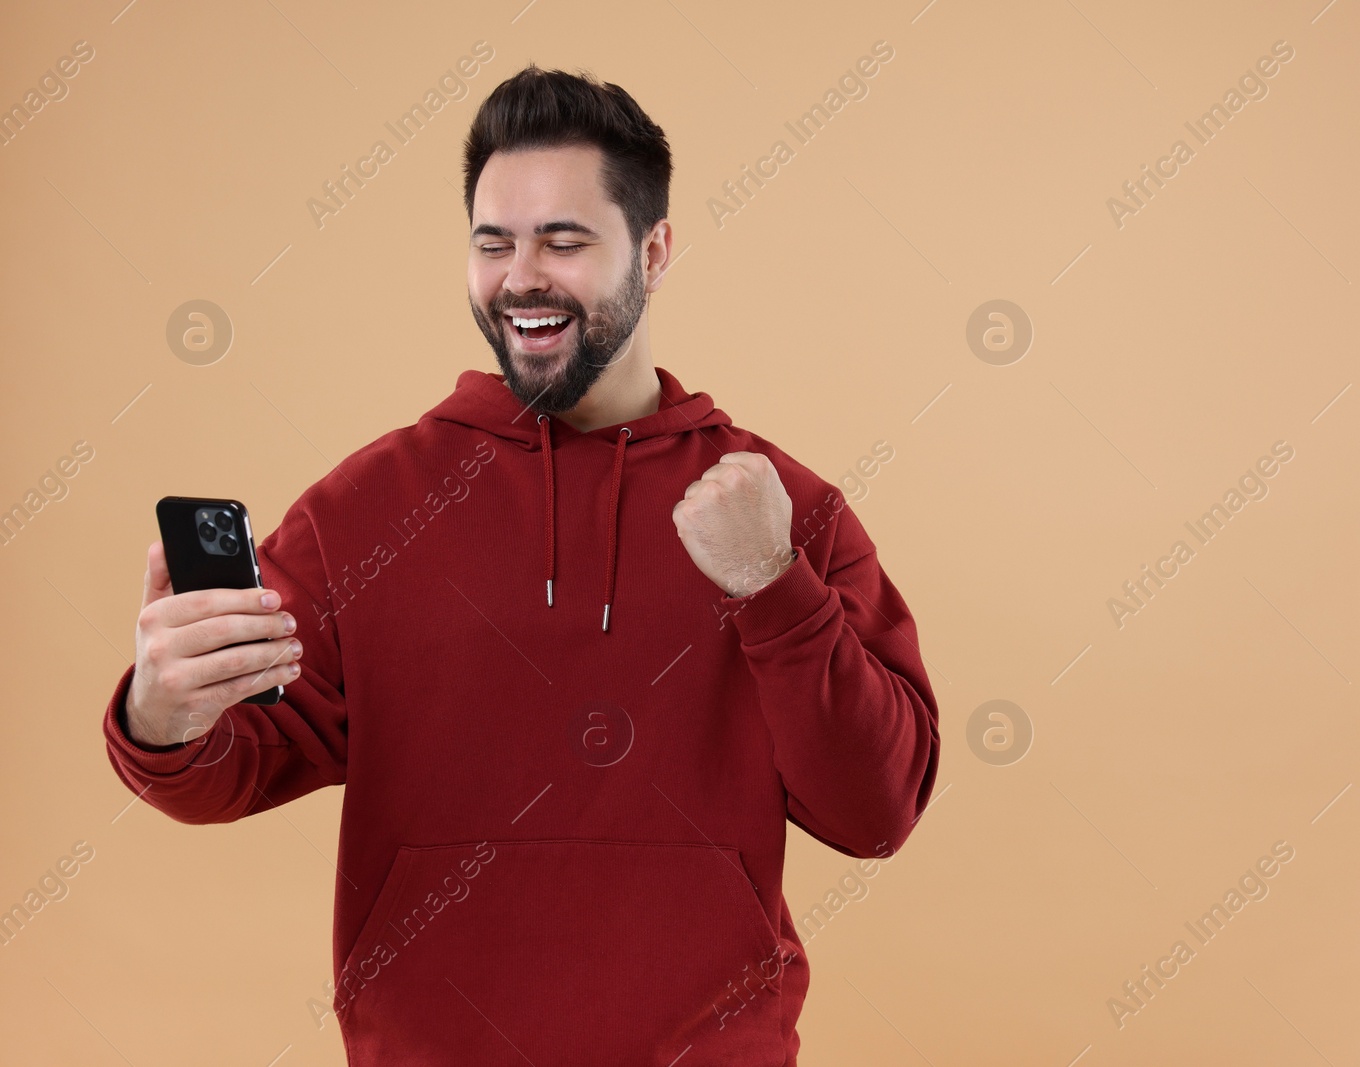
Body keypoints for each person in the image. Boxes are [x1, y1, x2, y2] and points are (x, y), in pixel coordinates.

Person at [101, 62, 940, 1066]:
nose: (520, 276)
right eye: (493, 241)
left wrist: (775, 587)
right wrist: (163, 712)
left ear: (655, 250)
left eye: (564, 240)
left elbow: (876, 811)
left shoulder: (781, 509)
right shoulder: (365, 508)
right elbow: (223, 768)